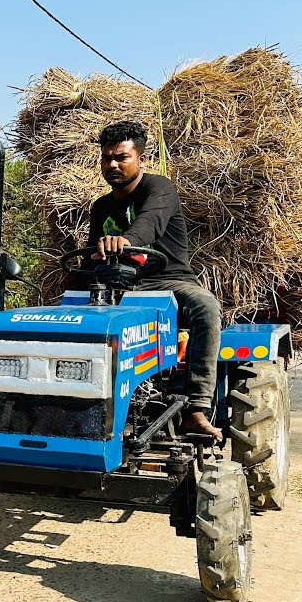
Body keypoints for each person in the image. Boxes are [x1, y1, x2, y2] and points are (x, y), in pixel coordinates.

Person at [89, 120, 223, 441]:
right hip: (122, 288)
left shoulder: (159, 188)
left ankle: (196, 409)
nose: (112, 164)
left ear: (140, 159)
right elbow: (91, 256)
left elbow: (148, 224)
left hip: (169, 283)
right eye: (107, 157)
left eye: (121, 157)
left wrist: (126, 240)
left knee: (206, 307)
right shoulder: (101, 207)